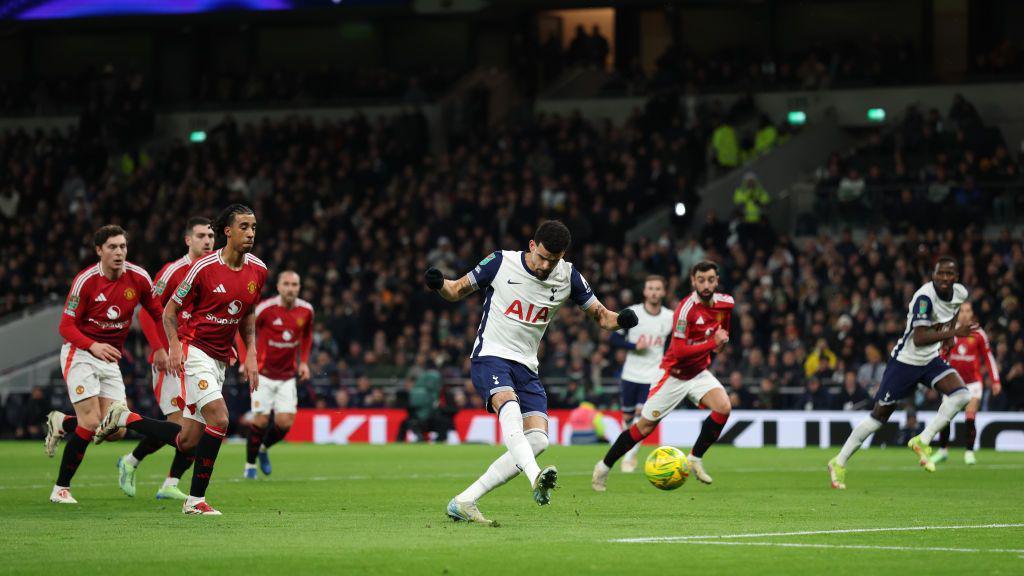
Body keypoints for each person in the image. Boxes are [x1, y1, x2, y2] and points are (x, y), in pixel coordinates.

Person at [424, 220, 638, 525]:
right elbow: (456, 289)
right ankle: (536, 476)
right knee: (508, 406)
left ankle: (465, 500)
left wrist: (623, 320)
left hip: (527, 366)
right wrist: (438, 283)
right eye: (543, 257)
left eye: (555, 260)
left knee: (538, 440)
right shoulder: (501, 262)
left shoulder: (569, 276)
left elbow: (602, 317)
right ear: (532, 246)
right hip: (491, 356)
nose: (547, 265)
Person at [94, 204, 267, 515]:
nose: (250, 233)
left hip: (219, 360)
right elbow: (168, 310)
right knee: (220, 419)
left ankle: (125, 418)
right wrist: (171, 346)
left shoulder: (259, 270)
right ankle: (195, 501)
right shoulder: (201, 269)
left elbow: (248, 311)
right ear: (228, 231)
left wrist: (250, 352)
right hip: (194, 352)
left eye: (253, 227)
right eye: (244, 226)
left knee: (187, 441)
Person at [43, 225, 166, 504]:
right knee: (91, 421)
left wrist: (161, 347)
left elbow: (157, 313)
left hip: (110, 359)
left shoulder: (139, 278)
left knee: (116, 430)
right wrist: (93, 345)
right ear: (99, 250)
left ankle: (61, 422)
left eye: (123, 246)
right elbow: (66, 326)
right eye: (112, 247)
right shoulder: (86, 280)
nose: (119, 252)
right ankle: (61, 488)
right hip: (81, 353)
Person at [828, 257, 973, 489]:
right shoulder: (924, 298)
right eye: (941, 274)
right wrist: (953, 332)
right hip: (905, 362)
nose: (945, 278)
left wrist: (949, 335)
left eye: (950, 274)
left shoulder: (960, 293)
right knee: (879, 418)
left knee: (962, 395)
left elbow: (953, 311)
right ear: (933, 275)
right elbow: (920, 337)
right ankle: (839, 462)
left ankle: (923, 440)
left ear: (956, 277)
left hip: (930, 361)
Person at [593, 260, 734, 491]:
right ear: (693, 281)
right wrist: (712, 343)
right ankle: (604, 466)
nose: (706, 284)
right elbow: (679, 351)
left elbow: (723, 328)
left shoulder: (726, 303)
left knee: (723, 407)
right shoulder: (685, 309)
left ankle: (695, 459)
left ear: (717, 280)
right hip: (673, 375)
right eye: (701, 280)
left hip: (698, 373)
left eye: (711, 279)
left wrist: (721, 341)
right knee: (642, 428)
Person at [115, 216, 214, 500]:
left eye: (210, 235)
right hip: (170, 359)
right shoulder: (173, 271)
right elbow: (148, 311)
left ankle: (166, 481)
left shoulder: (213, 271)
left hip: (197, 357)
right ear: (188, 240)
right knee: (182, 429)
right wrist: (160, 348)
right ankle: (129, 449)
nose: (207, 241)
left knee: (196, 429)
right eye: (201, 236)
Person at [244, 270, 313, 479]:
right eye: (287, 284)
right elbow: (245, 329)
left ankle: (263, 448)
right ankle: (249, 466)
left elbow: (307, 336)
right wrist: (246, 359)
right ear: (279, 287)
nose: (290, 289)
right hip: (263, 374)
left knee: (284, 423)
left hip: (287, 376)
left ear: (299, 288)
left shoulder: (306, 311)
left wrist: (305, 363)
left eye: (294, 285)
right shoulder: (265, 309)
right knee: (260, 421)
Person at [607, 275, 673, 472]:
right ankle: (627, 450)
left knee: (641, 417)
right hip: (631, 374)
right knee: (627, 419)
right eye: (650, 288)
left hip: (653, 375)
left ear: (663, 292)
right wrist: (634, 345)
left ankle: (629, 457)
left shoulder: (669, 317)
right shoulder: (633, 313)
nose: (654, 292)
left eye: (657, 288)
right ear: (645, 291)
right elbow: (614, 338)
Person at [932, 302, 1000, 466]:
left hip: (973, 383)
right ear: (957, 313)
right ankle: (942, 451)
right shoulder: (950, 332)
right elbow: (942, 356)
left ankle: (969, 452)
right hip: (952, 383)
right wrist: (936, 376)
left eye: (967, 311)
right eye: (961, 311)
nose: (964, 314)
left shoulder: (978, 333)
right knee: (945, 418)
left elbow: (988, 357)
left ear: (972, 314)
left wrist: (995, 380)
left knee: (970, 417)